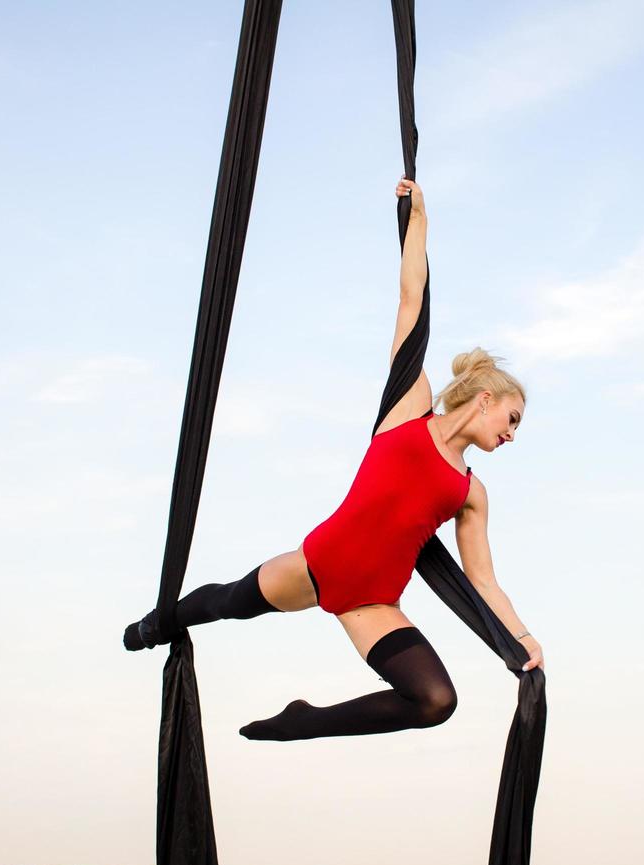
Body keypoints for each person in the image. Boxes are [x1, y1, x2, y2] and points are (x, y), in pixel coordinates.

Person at [123, 177, 542, 740]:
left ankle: (306, 722)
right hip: (318, 565)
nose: (512, 434)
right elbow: (411, 301)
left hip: (373, 604)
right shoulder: (407, 408)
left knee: (435, 700)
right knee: (227, 602)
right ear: (486, 399)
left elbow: (484, 582)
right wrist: (417, 222)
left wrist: (521, 638)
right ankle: (158, 623)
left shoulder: (471, 494)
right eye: (512, 419)